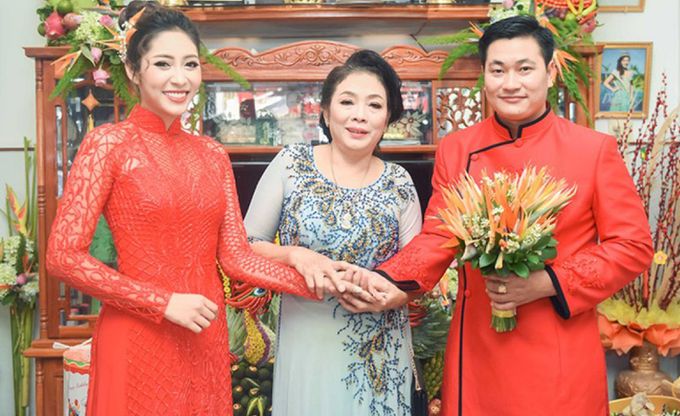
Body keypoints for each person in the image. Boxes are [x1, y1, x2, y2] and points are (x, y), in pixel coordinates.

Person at [366, 15, 653, 416]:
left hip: (559, 348)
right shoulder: (458, 148)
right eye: (498, 70)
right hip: (478, 348)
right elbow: (439, 234)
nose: (511, 83)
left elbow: (633, 245)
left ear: (550, 73)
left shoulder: (593, 150)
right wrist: (387, 278)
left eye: (524, 69)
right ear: (484, 76)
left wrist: (548, 281)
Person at [46, 2, 316, 414]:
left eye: (190, 64)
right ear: (133, 71)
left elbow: (237, 257)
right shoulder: (108, 145)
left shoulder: (212, 154)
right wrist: (162, 302)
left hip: (203, 334)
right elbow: (63, 256)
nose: (180, 77)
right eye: (163, 64)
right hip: (138, 334)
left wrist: (318, 281)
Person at [243, 50, 421, 415]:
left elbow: (416, 273)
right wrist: (295, 255)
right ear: (325, 111)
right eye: (347, 101)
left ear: (388, 118)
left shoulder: (399, 182)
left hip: (380, 351)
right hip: (308, 339)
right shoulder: (291, 164)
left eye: (374, 105)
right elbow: (246, 246)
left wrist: (394, 296)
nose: (360, 115)